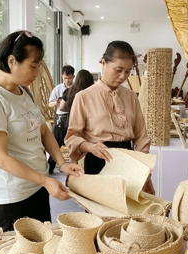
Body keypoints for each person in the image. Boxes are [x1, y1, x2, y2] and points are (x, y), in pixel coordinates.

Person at [0, 31, 83, 231]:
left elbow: (43, 132)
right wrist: (45, 180)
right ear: (12, 61)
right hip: (12, 197)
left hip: (37, 187)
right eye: (33, 66)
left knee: (42, 250)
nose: (36, 73)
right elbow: (0, 158)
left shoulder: (25, 92)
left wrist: (62, 163)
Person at [65, 40, 155, 195]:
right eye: (118, 70)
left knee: (128, 212)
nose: (123, 76)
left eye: (127, 71)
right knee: (99, 215)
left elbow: (141, 136)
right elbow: (72, 137)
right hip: (98, 161)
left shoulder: (131, 96)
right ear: (104, 63)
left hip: (129, 161)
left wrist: (144, 170)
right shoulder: (84, 97)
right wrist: (90, 146)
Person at [48, 65, 75, 173]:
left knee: (73, 141)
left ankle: (72, 166)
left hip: (73, 116)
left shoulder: (76, 88)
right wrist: (57, 102)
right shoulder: (58, 88)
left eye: (69, 78)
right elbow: (49, 104)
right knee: (55, 142)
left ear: (73, 76)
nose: (67, 80)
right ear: (61, 76)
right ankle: (50, 167)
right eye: (65, 78)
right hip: (60, 116)